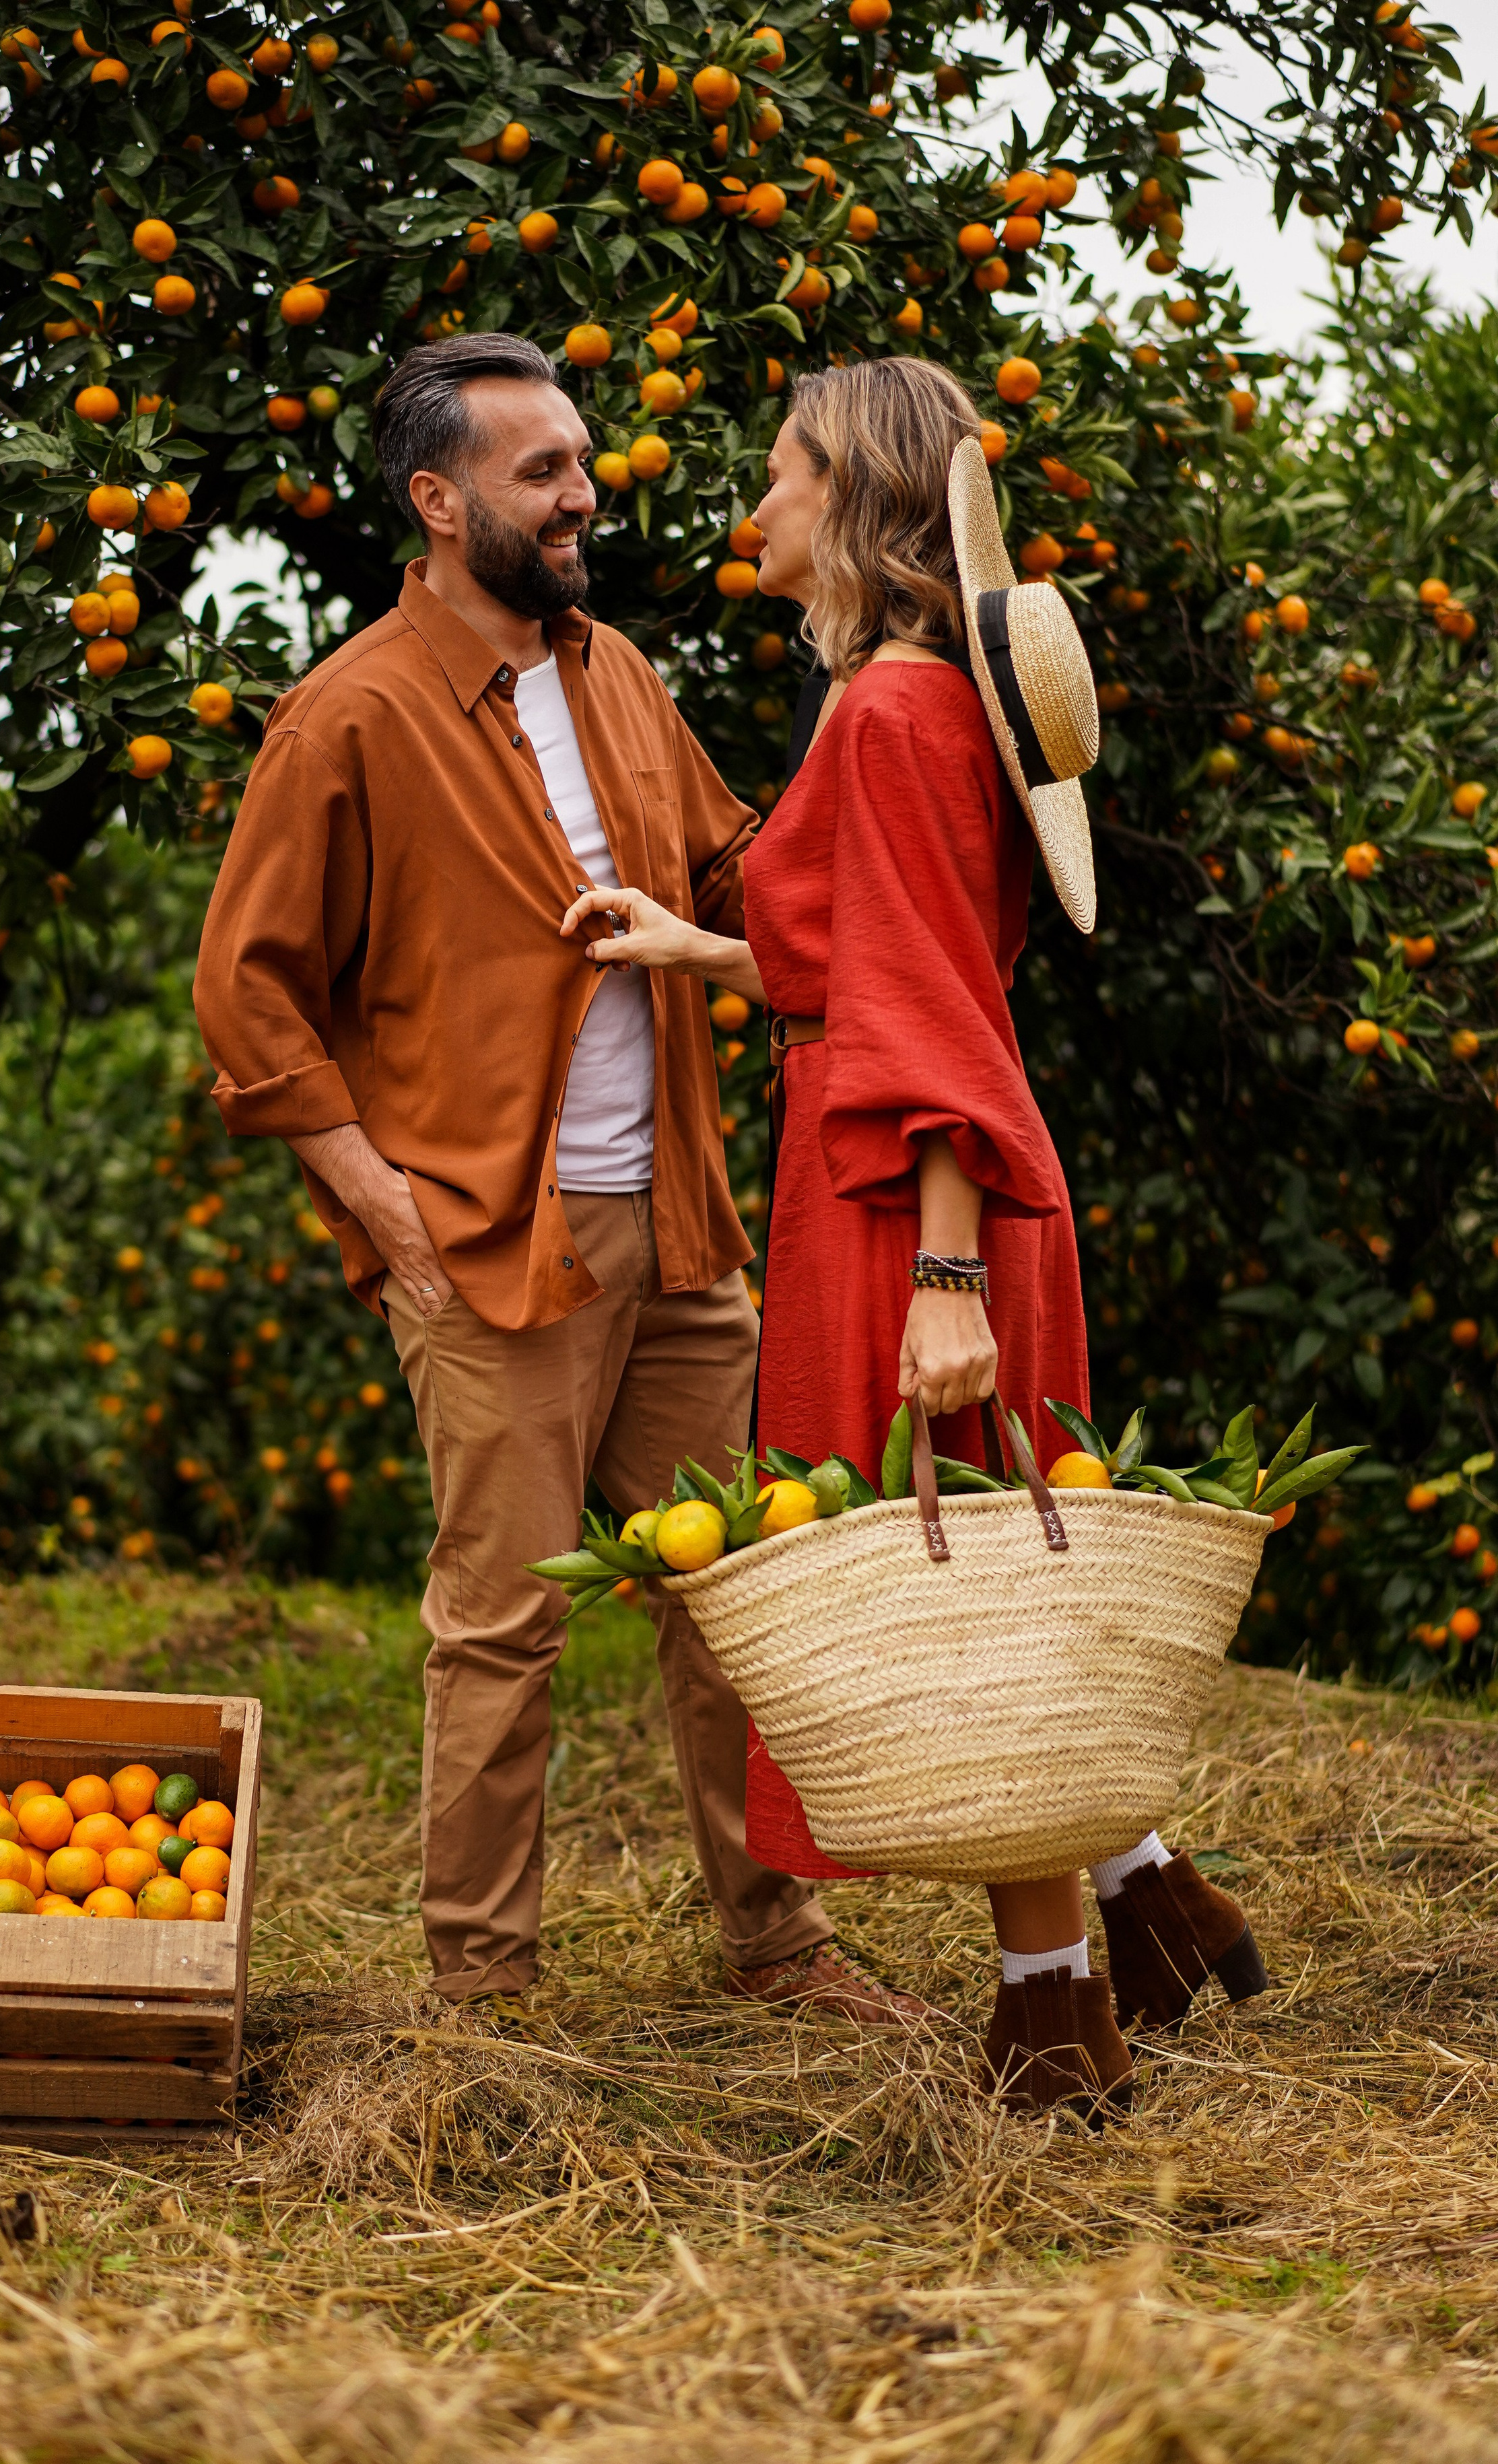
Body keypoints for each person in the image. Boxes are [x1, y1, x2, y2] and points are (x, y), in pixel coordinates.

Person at [560, 355, 1270, 2113]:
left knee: (961, 1613)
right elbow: (870, 960)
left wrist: (946, 1275)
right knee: (996, 1588)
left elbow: (926, 1005)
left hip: (910, 1198)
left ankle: (1055, 2023)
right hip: (916, 1168)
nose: (760, 507)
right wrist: (688, 945)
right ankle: (1143, 1897)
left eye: (785, 472)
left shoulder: (885, 716)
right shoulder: (924, 702)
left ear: (861, 508)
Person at [193, 331, 926, 2026]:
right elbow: (248, 994)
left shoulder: (619, 677)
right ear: (438, 503)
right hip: (490, 1238)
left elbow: (748, 873)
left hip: (677, 1225)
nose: (584, 495)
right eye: (543, 473)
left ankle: (775, 1945)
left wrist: (903, 740)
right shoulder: (347, 718)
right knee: (500, 1631)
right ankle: (486, 1998)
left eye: (582, 462)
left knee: (738, 1595)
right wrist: (386, 1214)